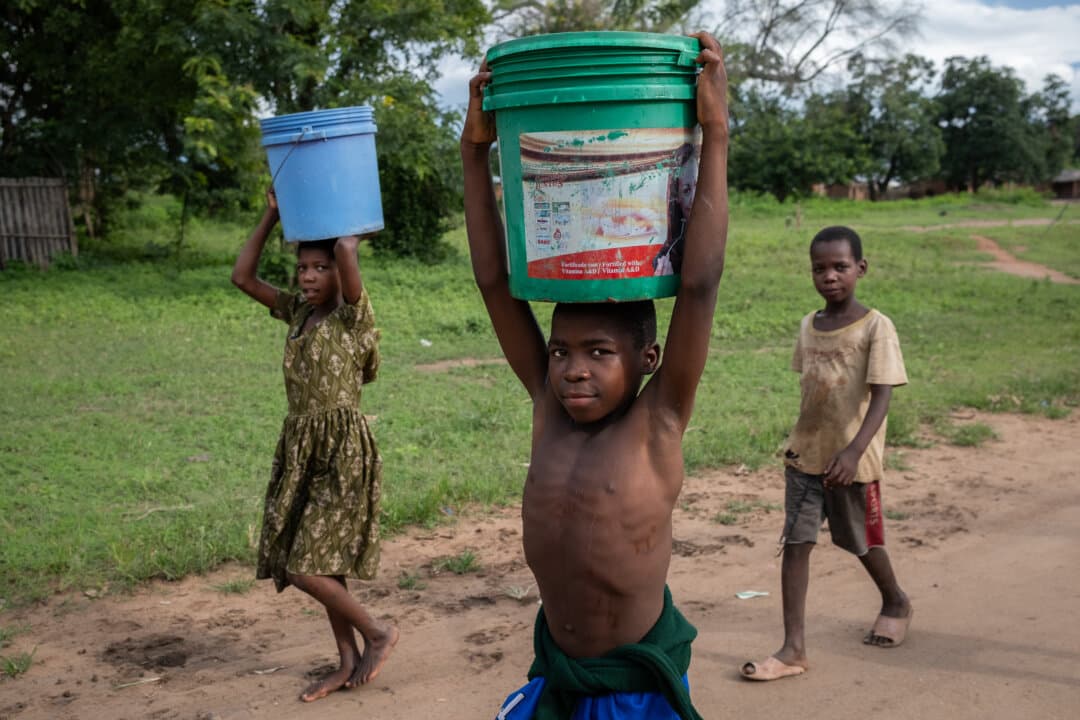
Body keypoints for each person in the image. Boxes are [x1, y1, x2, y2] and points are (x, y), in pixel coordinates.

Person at [461, 32, 729, 720]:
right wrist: (474, 152)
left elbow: (697, 286)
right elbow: (495, 282)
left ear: (648, 359)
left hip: (633, 692)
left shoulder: (657, 422)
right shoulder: (546, 408)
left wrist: (716, 135)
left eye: (599, 353)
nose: (573, 371)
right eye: (560, 352)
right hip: (559, 675)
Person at [230, 189, 398, 702]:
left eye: (319, 268)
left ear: (338, 273)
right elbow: (242, 277)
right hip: (303, 448)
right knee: (319, 560)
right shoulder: (298, 314)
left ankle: (378, 633)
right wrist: (273, 213)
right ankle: (346, 660)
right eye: (302, 267)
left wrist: (347, 221)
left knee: (304, 565)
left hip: (343, 451)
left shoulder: (352, 319)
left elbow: (348, 248)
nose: (307, 276)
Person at [740, 225, 912, 682]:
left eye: (840, 266)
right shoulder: (807, 325)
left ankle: (895, 599)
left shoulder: (876, 326)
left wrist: (854, 450)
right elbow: (812, 389)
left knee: (860, 540)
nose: (830, 276)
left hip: (852, 460)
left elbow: (881, 395)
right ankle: (793, 648)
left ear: (861, 268)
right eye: (820, 268)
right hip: (806, 455)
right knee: (797, 543)